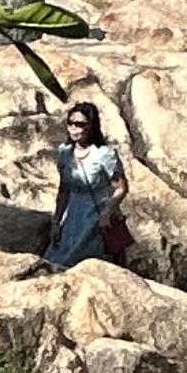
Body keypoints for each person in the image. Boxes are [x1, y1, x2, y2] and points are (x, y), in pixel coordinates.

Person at [44, 99, 128, 270]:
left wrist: (106, 212)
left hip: (96, 216)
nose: (74, 128)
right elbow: (64, 190)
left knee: (84, 262)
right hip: (73, 216)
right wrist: (56, 221)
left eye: (80, 124)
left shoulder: (104, 154)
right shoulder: (65, 153)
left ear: (91, 126)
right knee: (56, 261)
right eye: (71, 123)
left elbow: (121, 187)